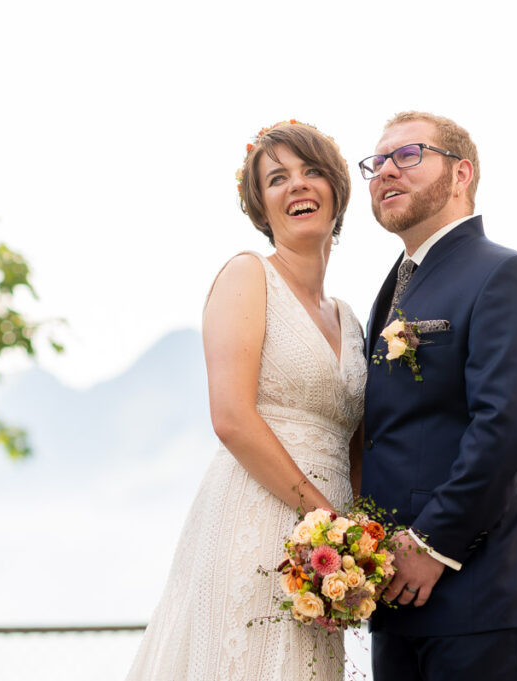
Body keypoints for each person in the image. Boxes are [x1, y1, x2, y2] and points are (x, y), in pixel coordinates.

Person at [125, 121, 367, 681]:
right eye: (277, 178)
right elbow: (231, 418)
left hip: (327, 546)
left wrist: (358, 540)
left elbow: (358, 440)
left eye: (311, 172)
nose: (297, 186)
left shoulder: (351, 318)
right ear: (262, 206)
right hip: (254, 517)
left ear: (336, 188)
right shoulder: (247, 275)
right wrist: (322, 516)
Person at [358, 111, 517, 681]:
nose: (386, 171)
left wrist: (432, 545)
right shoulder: (395, 288)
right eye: (377, 162)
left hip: (483, 589)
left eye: (408, 155)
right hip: (399, 597)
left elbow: (509, 429)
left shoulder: (507, 276)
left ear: (461, 173)